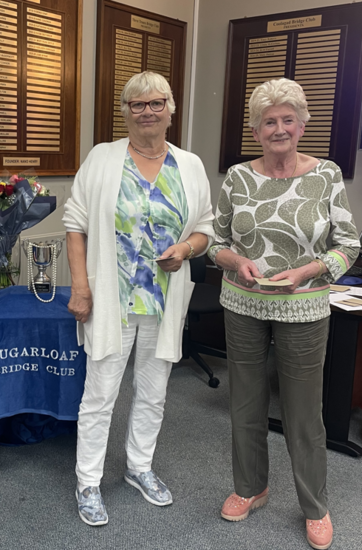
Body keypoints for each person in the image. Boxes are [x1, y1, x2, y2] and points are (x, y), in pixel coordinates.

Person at [208, 78, 360, 549]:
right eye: (269, 121)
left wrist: (310, 270)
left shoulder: (327, 174)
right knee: (245, 402)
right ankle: (250, 487)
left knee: (303, 413)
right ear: (256, 130)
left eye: (287, 120)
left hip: (304, 307)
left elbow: (349, 244)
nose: (279, 129)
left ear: (301, 125)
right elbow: (215, 243)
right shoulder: (238, 177)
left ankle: (315, 506)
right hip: (243, 303)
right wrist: (236, 262)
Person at [63, 71, 215, 526]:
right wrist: (80, 287)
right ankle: (88, 481)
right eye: (137, 104)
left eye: (156, 103)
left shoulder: (190, 165)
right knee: (100, 394)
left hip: (163, 302)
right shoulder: (103, 158)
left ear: (170, 109)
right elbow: (75, 225)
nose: (147, 111)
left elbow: (205, 229)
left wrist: (186, 249)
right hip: (111, 300)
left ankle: (139, 467)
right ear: (126, 111)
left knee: (153, 393)